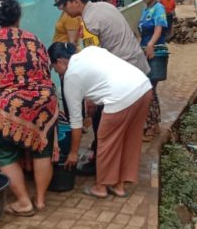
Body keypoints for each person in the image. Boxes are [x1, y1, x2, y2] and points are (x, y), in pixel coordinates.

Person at [0, 0, 59, 214]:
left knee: (6, 154)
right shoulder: (33, 38)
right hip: (43, 101)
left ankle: (24, 202)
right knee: (41, 150)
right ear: (19, 17)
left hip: (7, 106)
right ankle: (41, 200)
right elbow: (46, 68)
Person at [48, 43, 153, 199]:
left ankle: (101, 187)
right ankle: (119, 186)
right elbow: (104, 76)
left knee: (106, 141)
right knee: (129, 139)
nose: (57, 73)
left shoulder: (71, 77)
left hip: (121, 97)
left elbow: (76, 123)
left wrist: (73, 153)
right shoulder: (90, 51)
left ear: (60, 61)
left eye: (55, 69)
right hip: (143, 87)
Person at [57, 0, 150, 75]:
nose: (62, 8)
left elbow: (94, 61)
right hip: (138, 64)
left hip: (124, 71)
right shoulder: (105, 6)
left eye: (64, 4)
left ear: (76, 2)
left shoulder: (89, 22)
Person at [138, 0, 169, 141]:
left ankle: (150, 127)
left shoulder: (159, 8)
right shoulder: (145, 10)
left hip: (156, 53)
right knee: (150, 90)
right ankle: (155, 124)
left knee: (148, 90)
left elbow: (159, 27)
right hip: (145, 53)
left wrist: (150, 44)